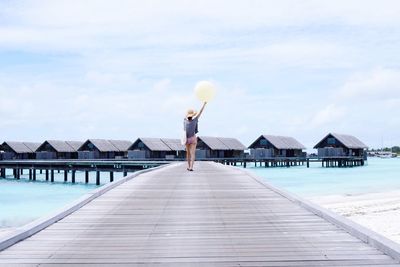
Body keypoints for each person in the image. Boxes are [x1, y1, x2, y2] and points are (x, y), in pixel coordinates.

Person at [184, 102, 207, 171]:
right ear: (192, 115)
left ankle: (189, 166)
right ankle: (191, 167)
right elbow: (200, 112)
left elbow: (184, 130)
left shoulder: (184, 121)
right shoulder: (195, 120)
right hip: (193, 138)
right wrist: (204, 104)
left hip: (186, 138)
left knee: (188, 153)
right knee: (192, 153)